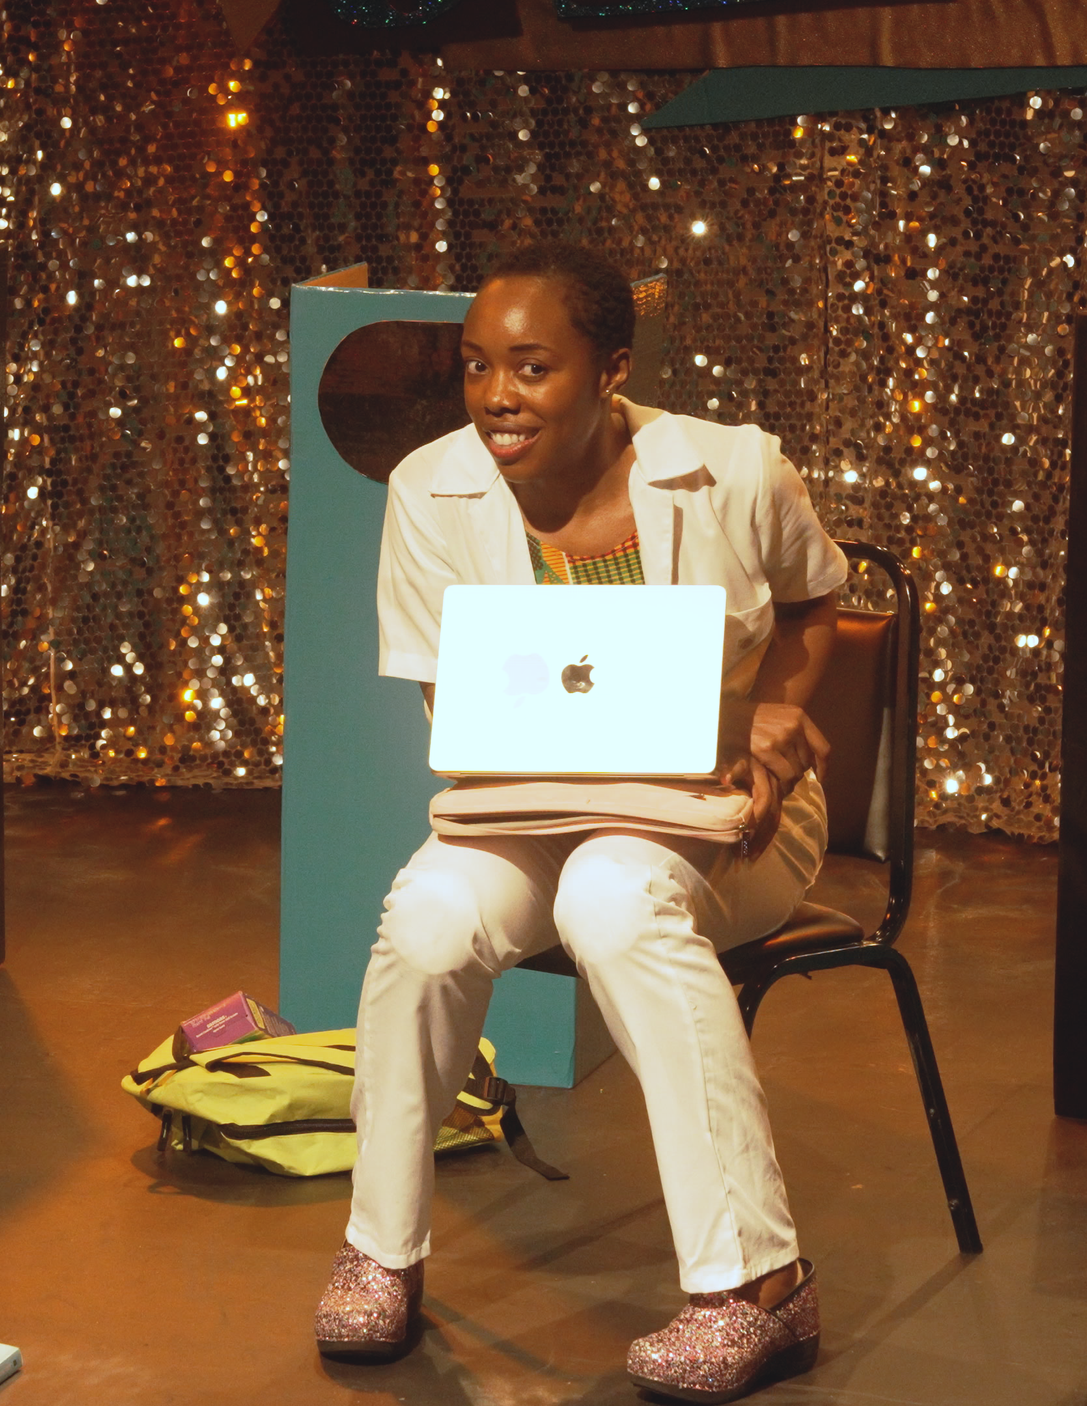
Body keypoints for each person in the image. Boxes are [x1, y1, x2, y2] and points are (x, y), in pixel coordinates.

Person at [311, 241, 849, 1404]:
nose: (496, 395)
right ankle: (379, 1246)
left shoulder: (733, 468)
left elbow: (817, 598)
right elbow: (458, 708)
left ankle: (759, 1282)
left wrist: (773, 714)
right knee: (429, 916)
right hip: (532, 807)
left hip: (724, 821)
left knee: (613, 893)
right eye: (474, 368)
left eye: (531, 366)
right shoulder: (429, 488)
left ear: (609, 369)